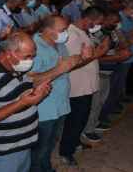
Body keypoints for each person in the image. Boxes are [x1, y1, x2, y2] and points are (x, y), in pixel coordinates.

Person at [0, 32, 52, 172]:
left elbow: (18, 100)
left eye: (33, 56)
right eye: (27, 56)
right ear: (9, 54)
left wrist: (38, 95)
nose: (31, 61)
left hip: (22, 144)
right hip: (3, 152)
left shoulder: (19, 69)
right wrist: (22, 103)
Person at [29, 15, 90, 172]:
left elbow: (67, 66)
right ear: (48, 30)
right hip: (44, 109)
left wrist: (83, 58)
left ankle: (46, 167)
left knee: (50, 143)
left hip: (60, 105)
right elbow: (31, 81)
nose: (66, 34)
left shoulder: (58, 44)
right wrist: (59, 69)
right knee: (39, 148)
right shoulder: (34, 47)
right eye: (62, 30)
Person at [59, 7, 110, 166]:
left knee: (82, 118)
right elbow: (74, 63)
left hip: (86, 85)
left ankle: (75, 142)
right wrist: (98, 54)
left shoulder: (84, 32)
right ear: (89, 20)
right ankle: (66, 152)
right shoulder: (72, 35)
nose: (99, 26)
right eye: (98, 22)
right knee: (74, 120)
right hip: (78, 86)